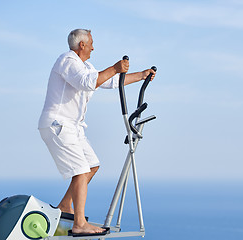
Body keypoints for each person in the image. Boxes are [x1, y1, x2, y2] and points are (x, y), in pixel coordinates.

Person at [38, 29, 155, 235]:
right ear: (81, 45)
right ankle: (79, 224)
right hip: (58, 125)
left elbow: (108, 81)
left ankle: (65, 205)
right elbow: (86, 82)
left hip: (73, 127)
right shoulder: (67, 61)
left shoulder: (85, 66)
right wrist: (114, 68)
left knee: (91, 165)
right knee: (81, 170)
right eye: (91, 43)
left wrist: (141, 76)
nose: (94, 47)